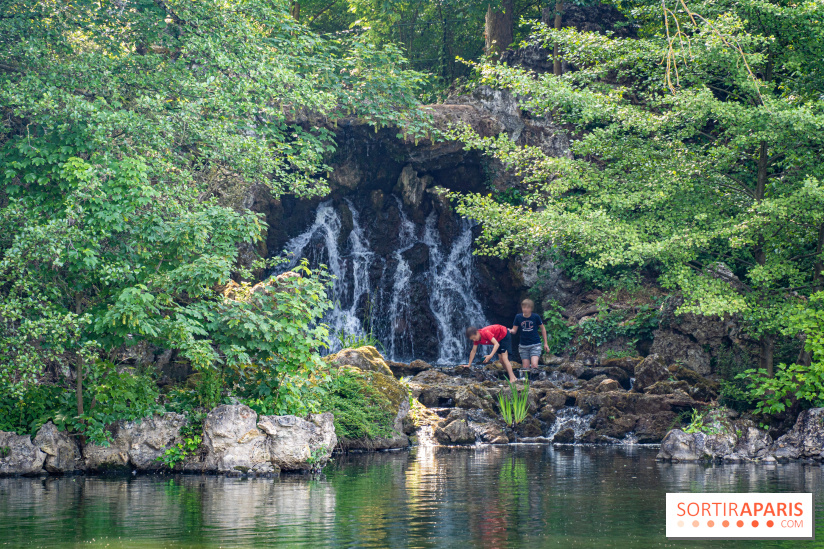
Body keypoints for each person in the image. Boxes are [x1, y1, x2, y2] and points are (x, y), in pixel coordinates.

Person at [510, 298, 550, 369]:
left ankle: (536, 380)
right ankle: (527, 380)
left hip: (535, 344)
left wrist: (545, 343)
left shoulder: (535, 317)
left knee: (534, 366)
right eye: (524, 307)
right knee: (525, 368)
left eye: (527, 308)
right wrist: (509, 330)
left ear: (531, 309)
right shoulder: (518, 317)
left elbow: (543, 329)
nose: (525, 309)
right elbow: (514, 330)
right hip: (523, 346)